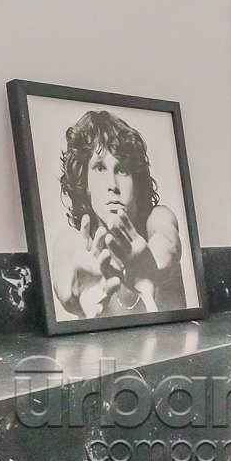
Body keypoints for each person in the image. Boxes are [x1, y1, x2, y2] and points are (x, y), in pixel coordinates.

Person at [50, 109, 186, 319]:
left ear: (136, 180)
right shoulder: (72, 240)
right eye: (99, 168)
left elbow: (167, 245)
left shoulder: (159, 217)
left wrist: (149, 264)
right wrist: (75, 295)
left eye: (122, 169)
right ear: (84, 183)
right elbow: (65, 275)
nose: (112, 185)